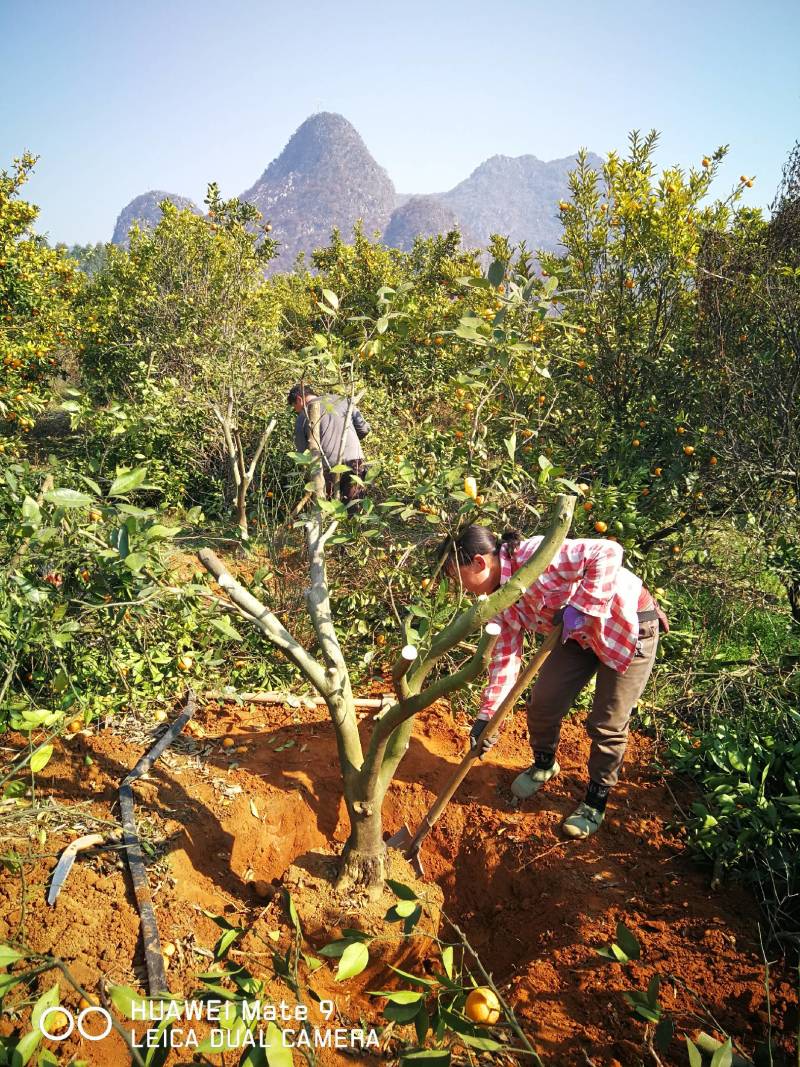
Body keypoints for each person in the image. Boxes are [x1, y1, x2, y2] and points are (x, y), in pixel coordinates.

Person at [438, 525, 667, 839]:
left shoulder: (535, 555)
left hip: (624, 625)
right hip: (576, 636)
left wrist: (582, 605)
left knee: (607, 722)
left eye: (456, 576)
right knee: (543, 702)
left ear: (479, 563)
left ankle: (595, 801)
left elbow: (608, 552)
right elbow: (505, 662)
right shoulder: (497, 603)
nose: (458, 586)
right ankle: (544, 765)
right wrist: (486, 718)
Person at [287, 384, 370, 506]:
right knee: (355, 506)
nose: (296, 410)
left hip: (328, 467)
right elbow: (363, 429)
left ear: (299, 399)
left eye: (295, 406)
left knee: (329, 508)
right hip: (355, 461)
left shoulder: (303, 416)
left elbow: (302, 454)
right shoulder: (341, 400)